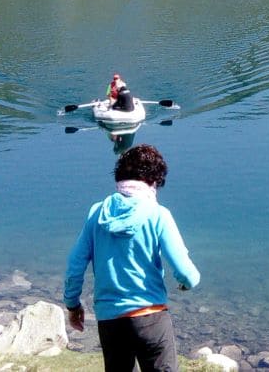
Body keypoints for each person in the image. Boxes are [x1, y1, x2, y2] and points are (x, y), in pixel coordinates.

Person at [64, 144, 200, 372]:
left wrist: (72, 304)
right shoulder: (158, 215)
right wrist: (186, 283)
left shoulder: (97, 213)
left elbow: (75, 265)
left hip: (110, 322)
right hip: (151, 318)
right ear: (153, 181)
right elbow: (187, 274)